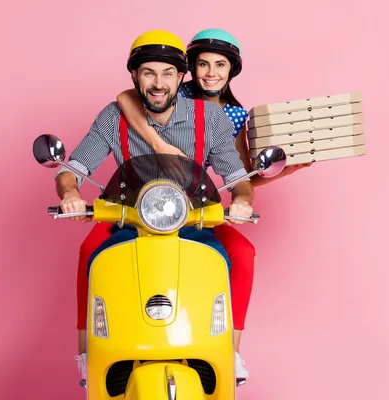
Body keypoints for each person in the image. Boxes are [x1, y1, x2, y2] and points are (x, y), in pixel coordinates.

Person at [55, 29, 256, 387]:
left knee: (226, 258)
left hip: (193, 217)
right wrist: (70, 191)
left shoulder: (211, 118)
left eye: (167, 74)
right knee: (94, 256)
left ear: (182, 77)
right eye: (148, 73)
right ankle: (91, 351)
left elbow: (238, 177)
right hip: (128, 218)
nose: (158, 83)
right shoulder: (113, 116)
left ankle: (223, 348)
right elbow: (72, 170)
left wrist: (241, 199)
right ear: (135, 77)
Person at [114, 28, 312, 380]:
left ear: (232, 70)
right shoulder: (170, 90)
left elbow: (238, 178)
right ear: (188, 68)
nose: (210, 73)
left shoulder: (234, 117)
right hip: (145, 201)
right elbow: (124, 99)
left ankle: (230, 350)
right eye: (202, 64)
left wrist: (281, 173)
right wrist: (159, 143)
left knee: (242, 254)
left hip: (197, 205)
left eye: (220, 65)